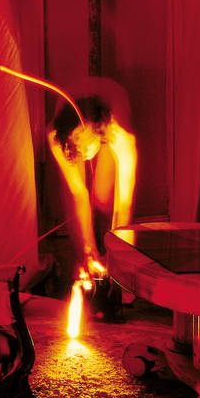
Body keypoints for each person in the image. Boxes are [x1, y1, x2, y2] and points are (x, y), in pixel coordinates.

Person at [47, 78, 137, 278]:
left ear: (99, 133)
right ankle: (86, 265)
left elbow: (125, 201)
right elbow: (78, 194)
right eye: (77, 144)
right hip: (72, 119)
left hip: (110, 107)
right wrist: (87, 251)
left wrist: (120, 254)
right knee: (72, 204)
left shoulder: (120, 132)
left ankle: (114, 263)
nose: (84, 150)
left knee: (103, 198)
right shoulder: (55, 136)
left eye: (88, 143)